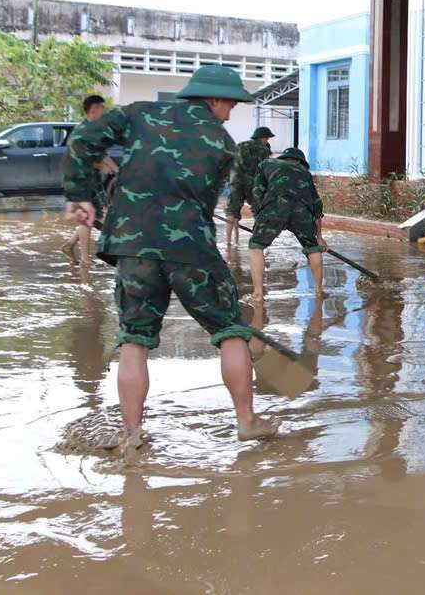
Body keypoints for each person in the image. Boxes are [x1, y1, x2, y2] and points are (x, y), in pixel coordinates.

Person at [64, 64, 278, 451]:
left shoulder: (138, 113)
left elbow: (83, 140)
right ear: (213, 99)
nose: (230, 113)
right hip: (190, 247)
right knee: (230, 331)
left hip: (133, 247)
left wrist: (80, 193)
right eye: (229, 104)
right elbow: (204, 201)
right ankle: (246, 422)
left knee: (134, 340)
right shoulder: (222, 143)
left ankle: (131, 435)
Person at [248, 146, 326, 301]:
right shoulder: (305, 173)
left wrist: (260, 218)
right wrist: (319, 237)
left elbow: (257, 193)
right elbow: (317, 205)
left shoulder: (266, 164)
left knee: (256, 246)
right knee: (313, 249)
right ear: (299, 161)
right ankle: (319, 290)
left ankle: (258, 294)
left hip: (274, 207)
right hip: (302, 211)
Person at [61, 94, 118, 268]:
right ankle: (85, 261)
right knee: (86, 220)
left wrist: (115, 169)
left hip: (90, 180)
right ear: (93, 110)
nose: (104, 112)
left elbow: (101, 154)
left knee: (92, 219)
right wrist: (110, 168)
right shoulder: (83, 133)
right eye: (102, 108)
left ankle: (69, 245)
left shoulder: (92, 130)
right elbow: (91, 158)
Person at [225, 126, 275, 246]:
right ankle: (258, 241)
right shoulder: (265, 150)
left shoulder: (240, 145)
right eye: (267, 138)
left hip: (235, 182)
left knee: (232, 211)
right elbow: (266, 169)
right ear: (262, 138)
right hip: (253, 184)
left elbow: (232, 163)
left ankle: (229, 241)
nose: (267, 140)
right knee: (258, 211)